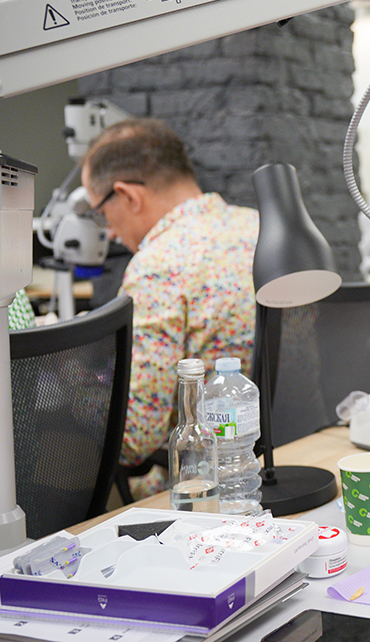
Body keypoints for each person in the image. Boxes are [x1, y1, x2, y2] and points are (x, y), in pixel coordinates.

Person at [80, 118, 259, 489]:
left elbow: (135, 440)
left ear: (128, 196)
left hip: (205, 482)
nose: (109, 231)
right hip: (279, 458)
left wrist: (73, 384)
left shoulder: (158, 266)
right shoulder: (260, 226)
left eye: (102, 213)